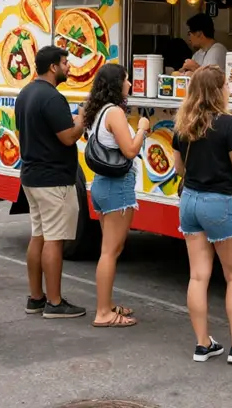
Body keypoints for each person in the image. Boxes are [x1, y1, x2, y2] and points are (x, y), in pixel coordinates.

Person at [171, 65, 232, 364]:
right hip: (221, 203)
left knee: (198, 276)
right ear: (218, 90)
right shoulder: (227, 125)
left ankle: (203, 344)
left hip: (190, 202)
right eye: (225, 85)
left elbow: (179, 169)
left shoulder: (182, 125)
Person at [15, 45, 87, 319]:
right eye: (65, 62)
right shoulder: (53, 97)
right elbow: (68, 137)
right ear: (53, 67)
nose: (69, 67)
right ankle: (55, 303)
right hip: (54, 178)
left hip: (31, 175)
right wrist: (80, 119)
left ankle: (36, 297)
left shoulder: (26, 93)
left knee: (39, 236)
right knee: (54, 241)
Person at [84, 64, 150, 328]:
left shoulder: (98, 111)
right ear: (116, 84)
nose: (130, 85)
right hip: (117, 186)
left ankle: (107, 304)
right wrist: (143, 127)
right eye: (126, 80)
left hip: (102, 185)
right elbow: (131, 150)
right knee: (110, 252)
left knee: (109, 249)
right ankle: (103, 312)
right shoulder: (115, 113)